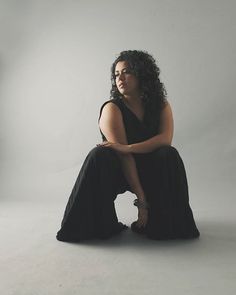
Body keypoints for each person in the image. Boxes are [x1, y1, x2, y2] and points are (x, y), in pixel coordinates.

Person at [56, 50, 200, 242]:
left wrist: (129, 147)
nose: (120, 78)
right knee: (99, 154)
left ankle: (166, 224)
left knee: (169, 154)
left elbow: (165, 139)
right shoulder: (111, 109)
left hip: (151, 167)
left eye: (127, 72)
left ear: (142, 74)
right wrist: (142, 202)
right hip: (118, 170)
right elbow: (124, 157)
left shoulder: (161, 105)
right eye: (116, 74)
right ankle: (97, 225)